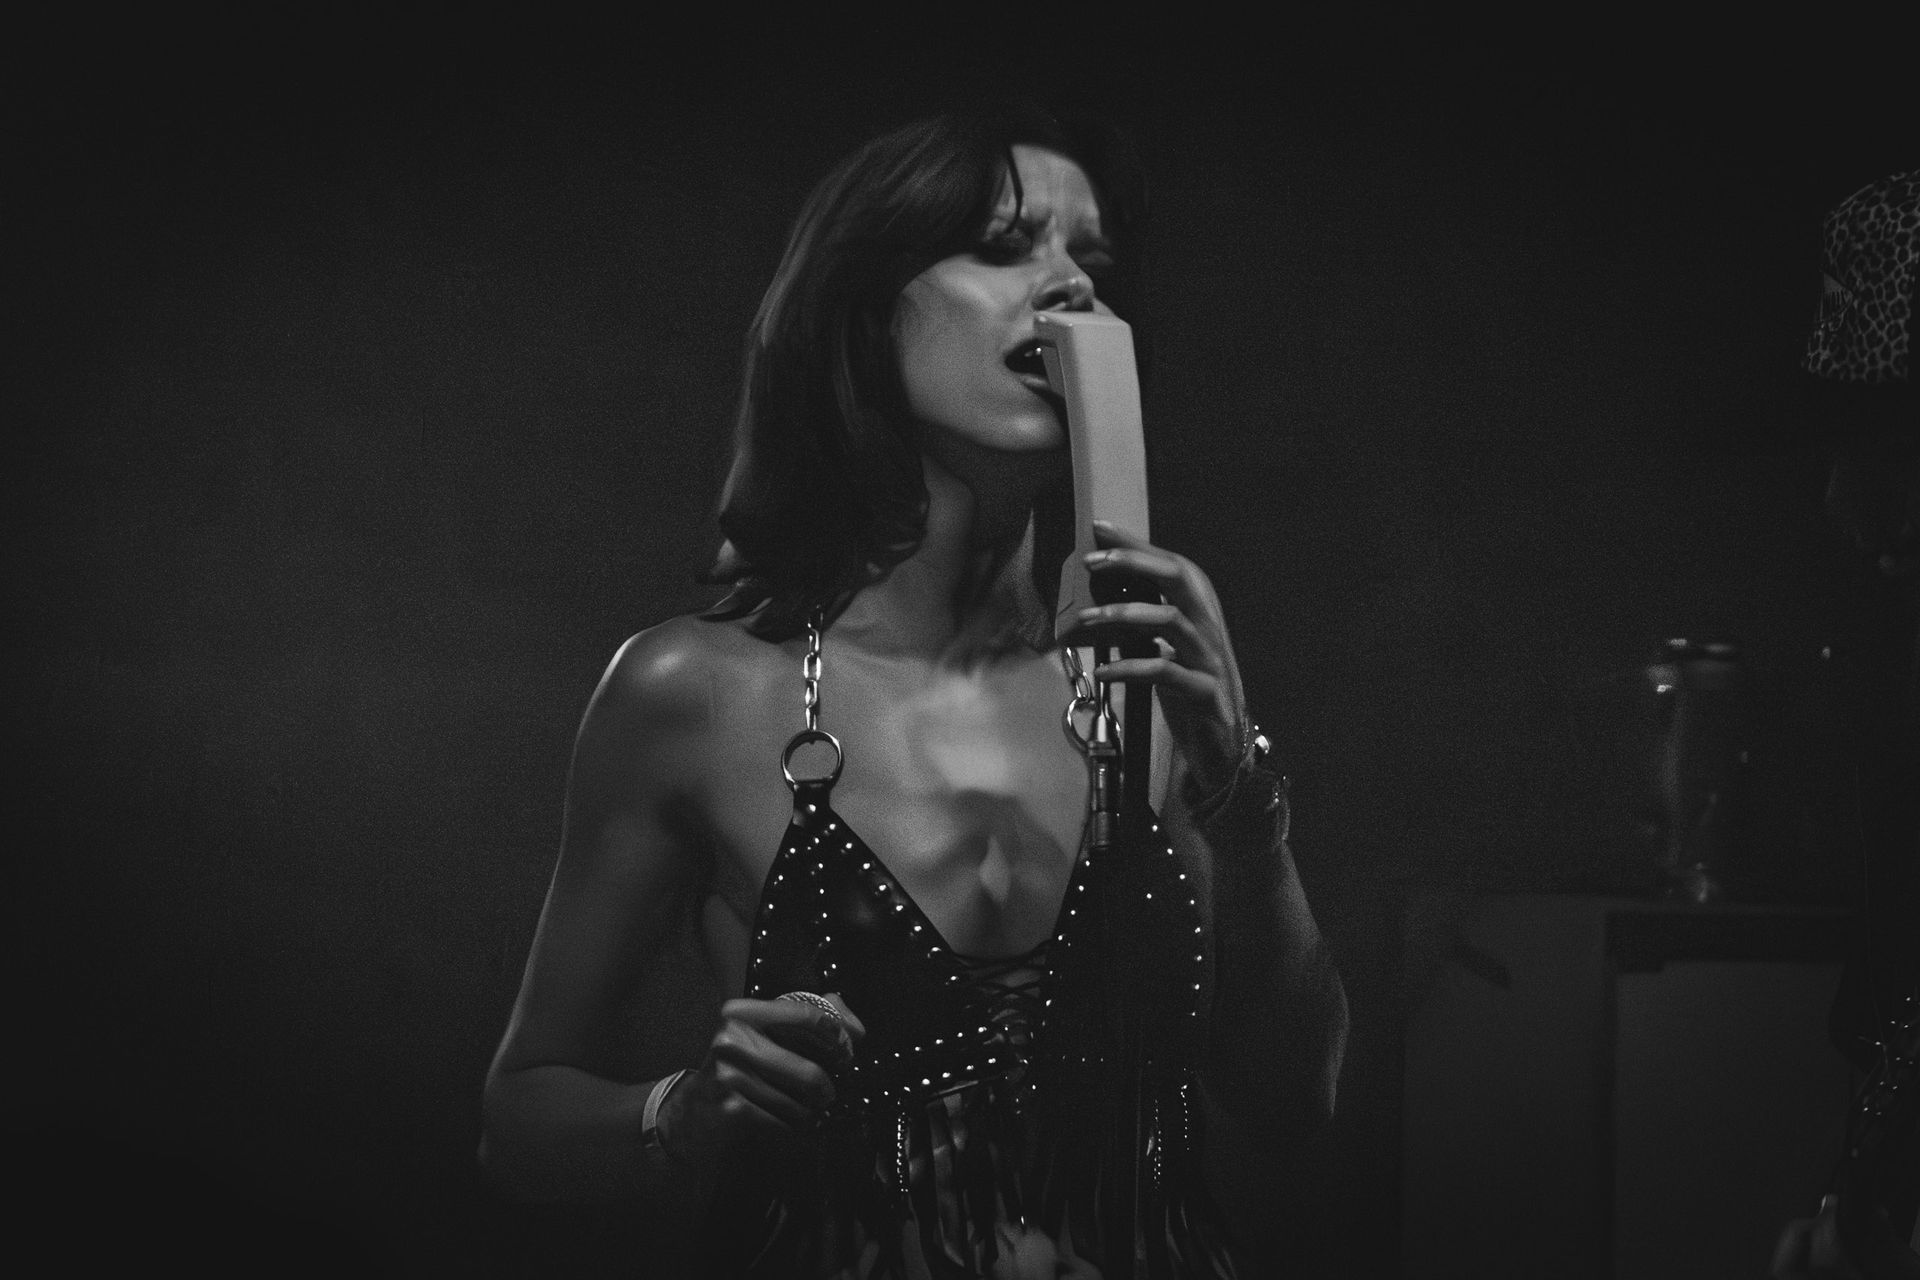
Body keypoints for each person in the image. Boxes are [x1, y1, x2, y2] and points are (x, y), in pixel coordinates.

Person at [479, 100, 1349, 1279]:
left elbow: (1295, 1102)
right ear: (864, 311)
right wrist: (683, 1109)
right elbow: (520, 1118)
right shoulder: (698, 692)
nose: (1073, 288)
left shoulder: (1141, 685)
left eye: (1093, 264)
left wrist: (1240, 785)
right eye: (1004, 245)